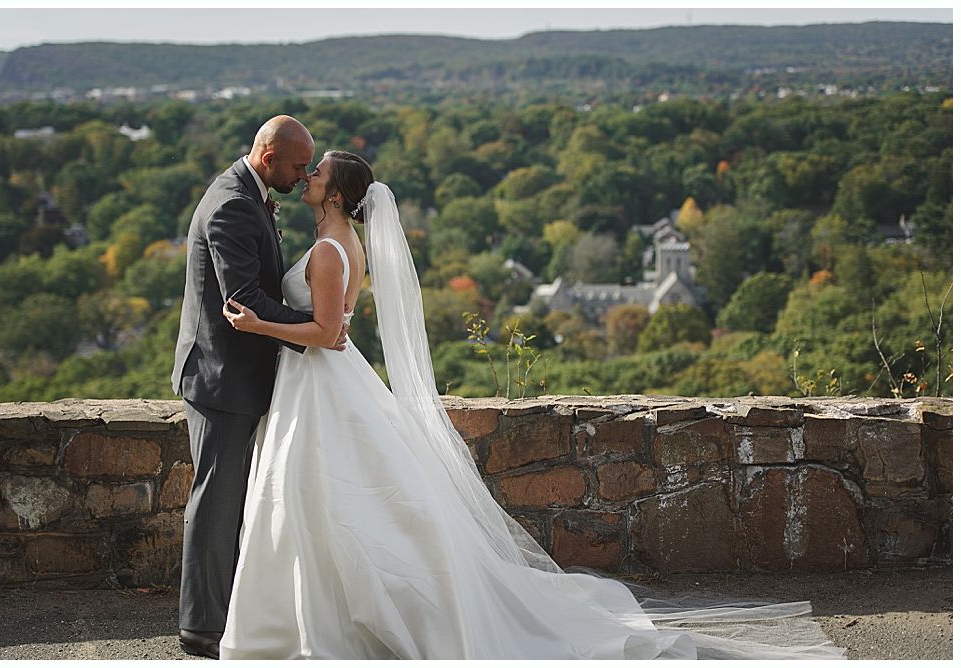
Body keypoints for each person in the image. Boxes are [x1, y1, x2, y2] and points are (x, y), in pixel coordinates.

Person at [218, 150, 845, 659]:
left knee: (321, 498)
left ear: (334, 195)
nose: (306, 177)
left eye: (316, 173)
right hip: (324, 385)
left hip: (324, 382)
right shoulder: (340, 241)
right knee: (325, 501)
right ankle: (313, 619)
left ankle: (315, 626)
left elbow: (327, 334)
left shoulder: (330, 250)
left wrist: (257, 326)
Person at [170, 116, 346, 659]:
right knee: (217, 500)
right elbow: (242, 298)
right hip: (220, 377)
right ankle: (201, 626)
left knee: (233, 499)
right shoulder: (231, 204)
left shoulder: (250, 192)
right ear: (269, 158)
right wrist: (316, 328)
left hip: (244, 375)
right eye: (298, 165)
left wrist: (317, 325)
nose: (303, 175)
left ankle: (229, 612)